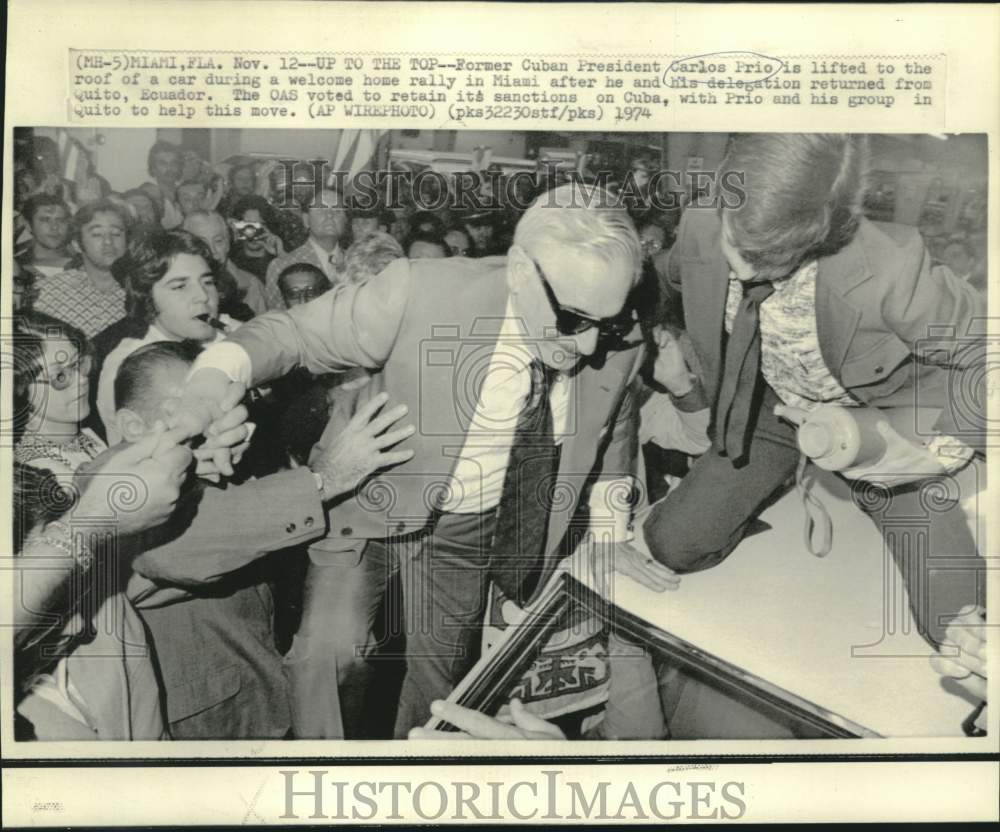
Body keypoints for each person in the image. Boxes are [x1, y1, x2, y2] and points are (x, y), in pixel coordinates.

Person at [171, 182, 674, 739]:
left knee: (445, 684)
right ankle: (321, 780)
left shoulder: (618, 336)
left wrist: (608, 530)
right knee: (331, 655)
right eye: (573, 320)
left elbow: (614, 425)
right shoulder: (420, 290)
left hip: (471, 526)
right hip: (369, 497)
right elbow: (292, 332)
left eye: (606, 321)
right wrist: (211, 380)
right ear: (519, 272)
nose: (587, 348)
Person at [643, 133, 987, 648]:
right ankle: (779, 480)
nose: (742, 267)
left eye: (769, 256)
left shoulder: (891, 270)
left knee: (956, 624)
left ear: (822, 231)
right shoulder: (699, 228)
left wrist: (934, 451)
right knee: (671, 544)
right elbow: (658, 284)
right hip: (770, 414)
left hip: (879, 424)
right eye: (735, 240)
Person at [113, 340, 414, 738]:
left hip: (264, 706)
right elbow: (180, 546)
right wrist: (323, 479)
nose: (212, 425)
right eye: (188, 411)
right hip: (207, 735)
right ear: (133, 427)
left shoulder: (213, 473)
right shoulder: (108, 487)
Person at [11, 312, 190, 740]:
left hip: (122, 624)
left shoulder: (86, 436)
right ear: (17, 391)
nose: (77, 381)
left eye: (79, 365)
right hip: (85, 644)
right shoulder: (32, 476)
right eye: (58, 376)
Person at [96, 229, 238, 445]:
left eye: (207, 282)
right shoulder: (126, 367)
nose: (202, 296)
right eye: (180, 286)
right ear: (147, 298)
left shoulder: (225, 335)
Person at [34, 199, 130, 338]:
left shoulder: (143, 290)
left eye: (116, 234)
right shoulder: (49, 292)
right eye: (97, 234)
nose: (108, 241)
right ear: (77, 245)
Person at [262, 188, 347, 310]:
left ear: (345, 220)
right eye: (321, 210)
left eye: (337, 210)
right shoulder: (281, 265)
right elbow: (277, 321)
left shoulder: (357, 263)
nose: (330, 215)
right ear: (306, 220)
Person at [183, 209, 268, 316]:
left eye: (218, 241)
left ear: (227, 244)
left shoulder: (251, 285)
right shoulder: (173, 286)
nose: (212, 251)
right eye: (202, 243)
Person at [228, 194, 283, 284]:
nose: (253, 232)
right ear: (238, 226)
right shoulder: (231, 261)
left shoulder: (279, 257)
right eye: (248, 225)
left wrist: (280, 254)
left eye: (259, 225)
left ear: (269, 226)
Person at [16, 193, 73, 278]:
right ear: (28, 225)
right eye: (45, 220)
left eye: (60, 220)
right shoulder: (15, 266)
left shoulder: (85, 264)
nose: (54, 227)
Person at [142, 140, 184, 229]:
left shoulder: (184, 192)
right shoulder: (147, 195)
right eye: (163, 163)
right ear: (153, 168)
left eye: (174, 163)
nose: (170, 168)